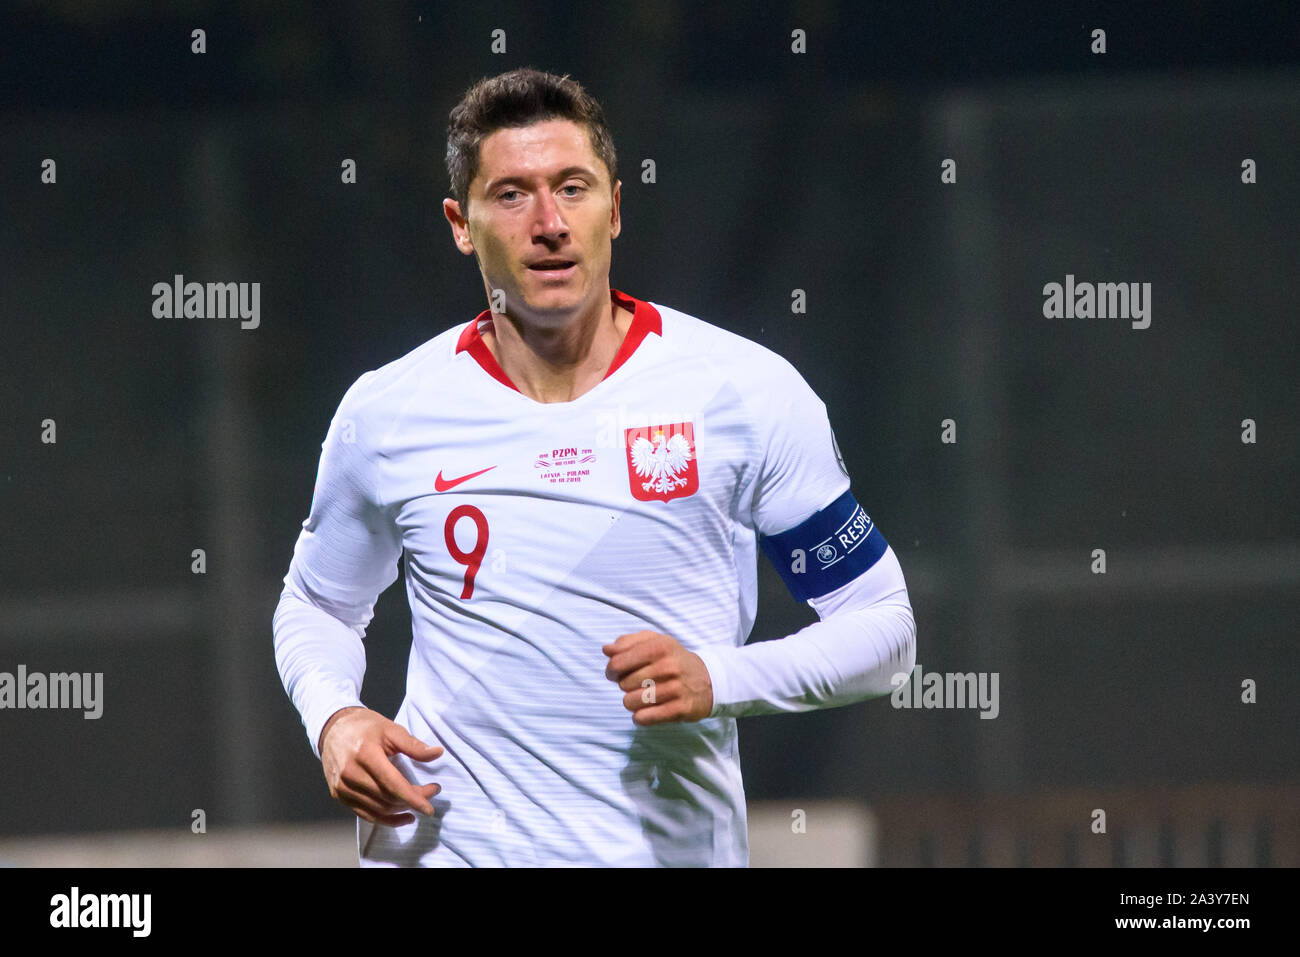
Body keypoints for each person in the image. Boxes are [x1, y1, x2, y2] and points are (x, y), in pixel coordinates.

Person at [273, 67, 916, 867]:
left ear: (614, 206)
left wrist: (721, 678)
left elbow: (885, 630)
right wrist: (335, 716)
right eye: (510, 195)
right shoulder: (388, 413)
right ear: (459, 225)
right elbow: (318, 607)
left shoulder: (743, 394)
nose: (548, 222)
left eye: (571, 188)